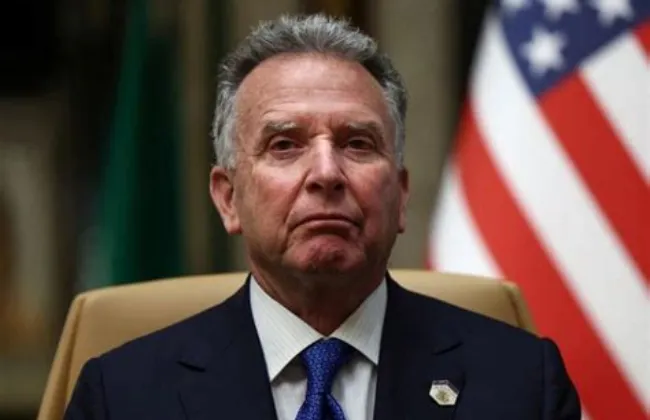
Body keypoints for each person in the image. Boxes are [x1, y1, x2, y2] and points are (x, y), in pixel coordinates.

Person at [64, 14, 580, 419]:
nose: (327, 173)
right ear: (228, 198)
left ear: (400, 197)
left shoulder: (522, 384)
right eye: (285, 145)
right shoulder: (122, 397)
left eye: (357, 143)